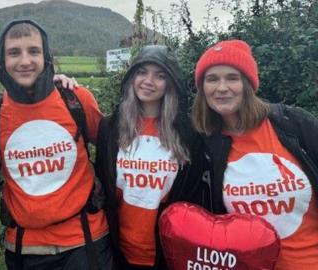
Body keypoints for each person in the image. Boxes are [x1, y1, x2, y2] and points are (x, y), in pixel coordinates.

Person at [0, 19, 113, 269]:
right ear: (1, 61)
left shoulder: (76, 99)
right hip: (24, 246)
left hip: (87, 240)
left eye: (34, 51)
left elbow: (114, 149)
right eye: (14, 52)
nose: (25, 61)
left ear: (46, 56)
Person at [191, 39, 318, 269]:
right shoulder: (205, 144)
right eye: (212, 79)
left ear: (248, 84)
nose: (221, 88)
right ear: (203, 89)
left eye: (232, 77)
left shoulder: (293, 125)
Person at [95, 45, 209, 269]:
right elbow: (103, 185)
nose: (148, 81)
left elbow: (194, 197)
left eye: (160, 76)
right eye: (141, 72)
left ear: (171, 84)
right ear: (131, 77)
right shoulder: (110, 128)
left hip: (168, 254)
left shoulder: (188, 133)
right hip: (118, 253)